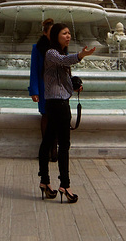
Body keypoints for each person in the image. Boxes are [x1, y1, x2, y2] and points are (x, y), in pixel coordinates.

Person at [38, 23, 95, 203]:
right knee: (63, 144)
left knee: (48, 140)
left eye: (70, 33)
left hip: (58, 102)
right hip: (58, 104)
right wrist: (80, 55)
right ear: (56, 36)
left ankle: (45, 182)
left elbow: (61, 76)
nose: (68, 36)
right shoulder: (51, 53)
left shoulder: (59, 54)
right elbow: (65, 61)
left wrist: (74, 84)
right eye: (64, 33)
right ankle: (65, 185)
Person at [28, 19, 57, 160]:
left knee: (57, 117)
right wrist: (34, 90)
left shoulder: (61, 46)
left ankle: (54, 147)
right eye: (51, 32)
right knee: (46, 115)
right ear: (45, 33)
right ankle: (46, 148)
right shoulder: (37, 47)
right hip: (44, 86)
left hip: (59, 87)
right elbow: (34, 70)